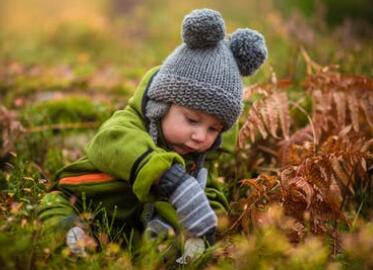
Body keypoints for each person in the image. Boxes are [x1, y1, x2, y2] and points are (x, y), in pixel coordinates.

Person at [37, 8, 267, 261]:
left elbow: (209, 191)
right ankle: (72, 242)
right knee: (56, 213)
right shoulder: (128, 124)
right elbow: (112, 142)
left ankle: (161, 253)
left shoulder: (197, 158)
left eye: (214, 129)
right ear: (161, 105)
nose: (201, 136)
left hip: (127, 229)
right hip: (79, 200)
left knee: (169, 241)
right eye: (192, 120)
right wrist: (169, 177)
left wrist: (207, 225)